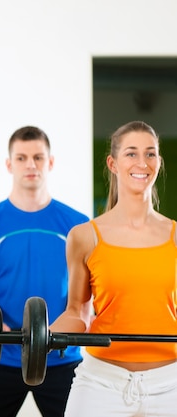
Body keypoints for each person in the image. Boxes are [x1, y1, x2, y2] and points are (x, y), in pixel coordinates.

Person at [0, 126, 89, 417]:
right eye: (21, 158)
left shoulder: (78, 226)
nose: (30, 165)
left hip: (60, 356)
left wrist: (51, 337)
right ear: (9, 164)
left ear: (50, 162)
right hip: (1, 358)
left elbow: (83, 299)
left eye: (38, 157)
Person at [51, 121, 177, 416]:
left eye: (150, 154)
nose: (142, 163)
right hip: (101, 380)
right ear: (113, 163)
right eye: (131, 154)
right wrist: (41, 337)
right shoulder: (83, 237)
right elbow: (76, 313)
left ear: (159, 161)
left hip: (169, 381)